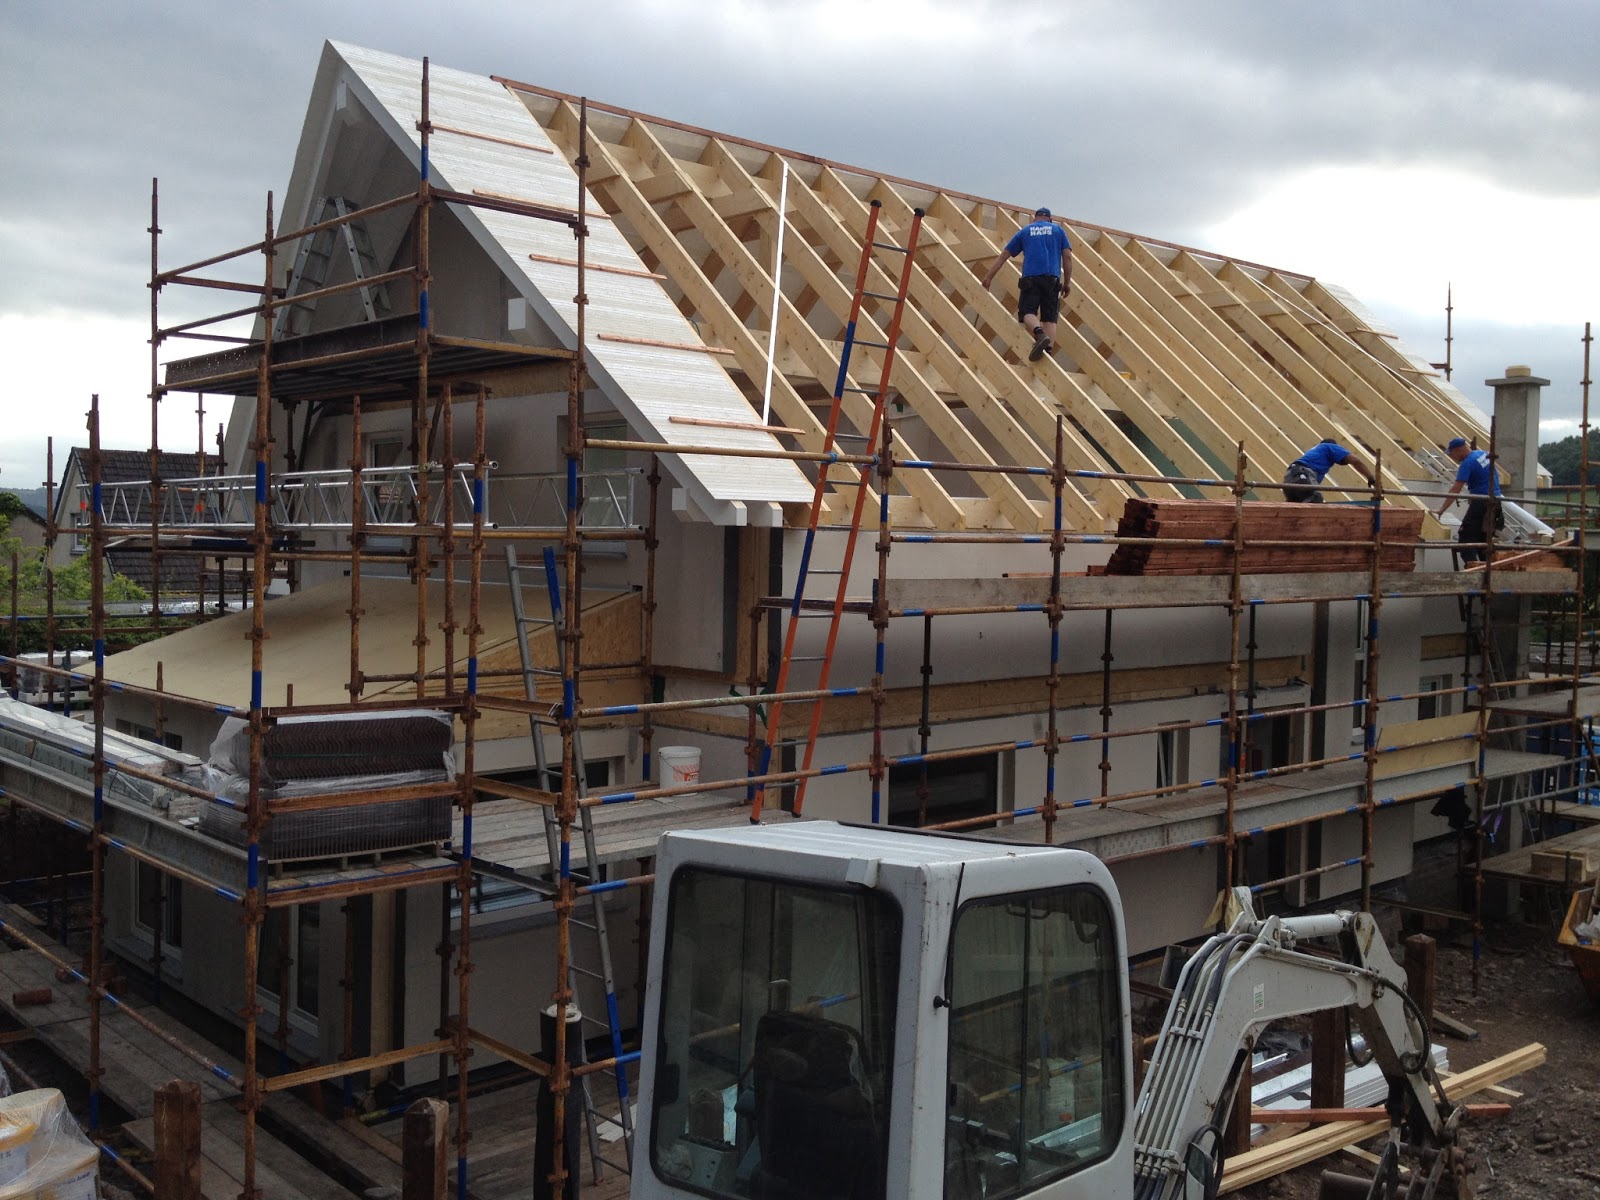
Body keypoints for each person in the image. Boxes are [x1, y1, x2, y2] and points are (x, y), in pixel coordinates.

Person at [981, 207, 1073, 362]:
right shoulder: (1058, 231)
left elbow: (1004, 255)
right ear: (1050, 220)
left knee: (1027, 312)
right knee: (1050, 318)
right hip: (1052, 279)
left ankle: (1039, 334)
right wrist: (1068, 282)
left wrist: (989, 277)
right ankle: (1048, 355)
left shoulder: (1025, 231)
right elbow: (1068, 257)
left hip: (1031, 279)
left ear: (1034, 219)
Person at [1434, 436, 1503, 563]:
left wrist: (1442, 509)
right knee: (1483, 540)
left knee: (1465, 539)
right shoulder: (1483, 454)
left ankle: (1473, 569)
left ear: (1459, 450)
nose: (1452, 457)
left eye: (1452, 454)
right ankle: (1488, 569)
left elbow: (1456, 489)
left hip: (1481, 503)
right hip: (1496, 502)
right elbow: (1494, 475)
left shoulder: (1467, 463)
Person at [1282, 438, 1376, 503]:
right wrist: (1370, 477)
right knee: (1315, 500)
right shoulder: (1329, 446)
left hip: (1289, 477)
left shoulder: (1314, 453)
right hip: (1302, 474)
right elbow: (1355, 461)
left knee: (1294, 509)